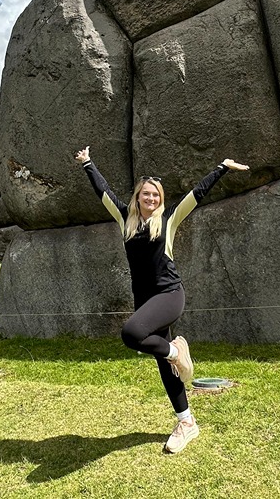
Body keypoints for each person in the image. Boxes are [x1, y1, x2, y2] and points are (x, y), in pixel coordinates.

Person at [75, 145, 249, 454]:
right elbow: (102, 191)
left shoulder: (167, 221)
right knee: (165, 363)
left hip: (169, 295)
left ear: (160, 198)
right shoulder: (124, 219)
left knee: (131, 334)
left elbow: (196, 195)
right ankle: (187, 422)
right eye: (146, 194)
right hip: (144, 300)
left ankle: (175, 348)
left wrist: (221, 167)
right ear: (137, 197)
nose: (151, 199)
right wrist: (88, 163)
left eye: (155, 195)